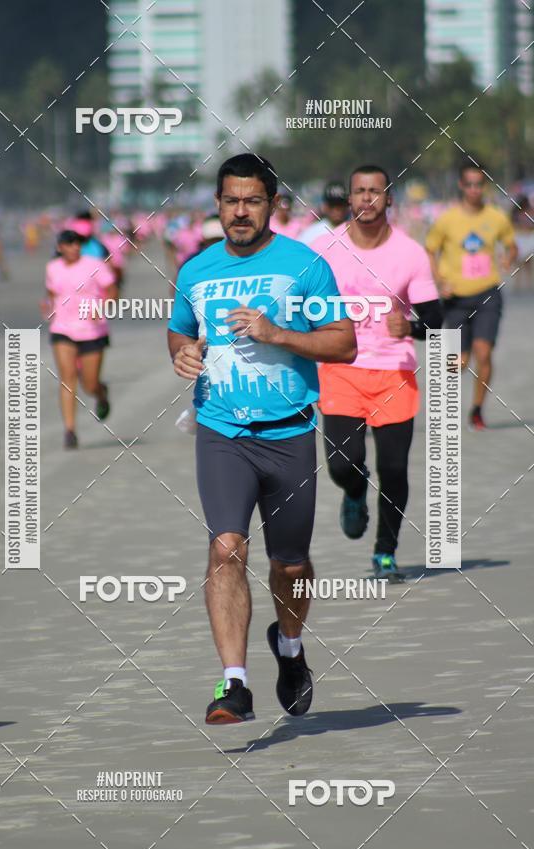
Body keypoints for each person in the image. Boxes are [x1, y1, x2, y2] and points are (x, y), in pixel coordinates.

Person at [168, 153, 356, 724]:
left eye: (253, 200)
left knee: (291, 565)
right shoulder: (196, 271)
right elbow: (179, 333)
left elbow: (343, 342)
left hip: (290, 433)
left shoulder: (305, 266)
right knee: (226, 548)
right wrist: (184, 355)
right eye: (231, 201)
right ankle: (234, 684)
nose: (241, 212)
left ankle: (292, 650)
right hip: (222, 432)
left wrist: (278, 333)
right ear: (218, 205)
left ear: (272, 204)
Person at [312, 165, 442, 582]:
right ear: (348, 199)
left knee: (395, 469)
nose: (366, 198)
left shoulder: (410, 253)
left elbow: (436, 319)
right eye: (359, 191)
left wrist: (413, 327)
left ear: (389, 199)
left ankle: (385, 551)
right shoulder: (324, 248)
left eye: (375, 191)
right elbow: (298, 304)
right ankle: (354, 490)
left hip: (394, 373)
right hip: (341, 368)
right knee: (341, 464)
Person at [426, 161, 517, 430]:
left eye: (479, 184)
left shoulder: (496, 217)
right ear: (461, 185)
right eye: (470, 184)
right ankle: (446, 406)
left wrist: (508, 257)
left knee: (484, 352)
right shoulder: (447, 219)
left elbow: (511, 245)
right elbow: (430, 250)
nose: (475, 189)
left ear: (484, 186)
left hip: (488, 294)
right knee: (458, 362)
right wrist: (438, 280)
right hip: (455, 298)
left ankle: (477, 409)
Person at [43, 230, 116, 449]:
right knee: (67, 378)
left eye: (77, 243)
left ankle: (101, 393)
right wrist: (47, 308)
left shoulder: (95, 264)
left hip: (92, 329)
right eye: (69, 244)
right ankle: (70, 430)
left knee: (89, 383)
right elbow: (51, 294)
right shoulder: (52, 268)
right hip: (62, 328)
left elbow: (112, 290)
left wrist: (102, 307)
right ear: (60, 247)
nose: (75, 247)